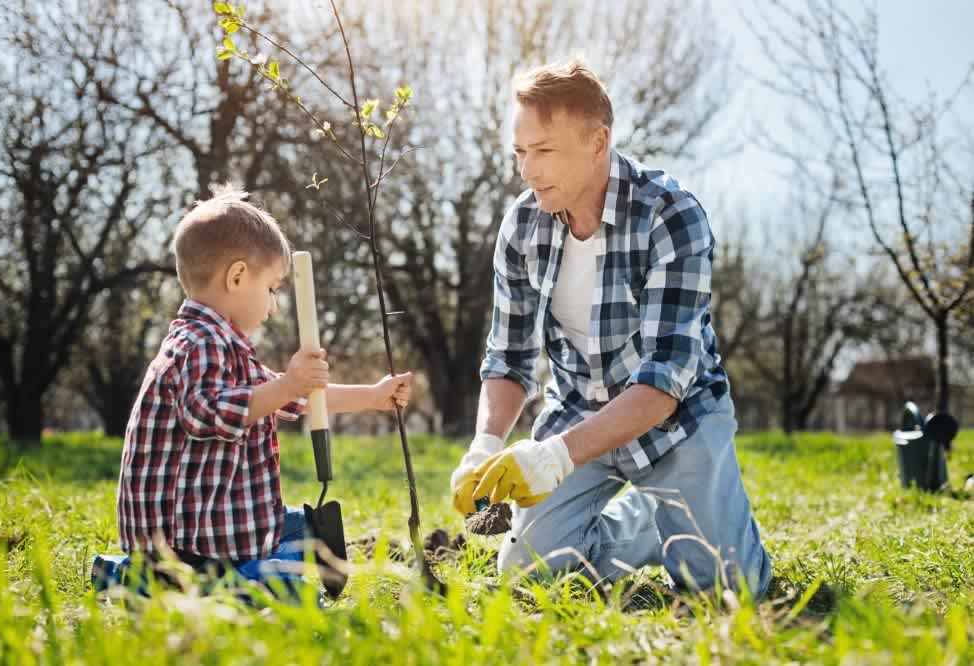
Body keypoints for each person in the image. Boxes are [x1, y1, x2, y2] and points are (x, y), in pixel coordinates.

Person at [451, 60, 772, 598]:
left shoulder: (671, 214)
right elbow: (508, 357)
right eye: (520, 152)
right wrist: (486, 444)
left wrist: (554, 455)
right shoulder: (523, 226)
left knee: (726, 591)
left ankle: (687, 512)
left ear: (598, 141)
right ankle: (649, 521)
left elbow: (663, 382)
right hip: (578, 410)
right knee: (528, 574)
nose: (527, 171)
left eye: (544, 151)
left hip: (677, 420)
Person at [117, 184, 412, 574]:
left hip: (206, 527)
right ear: (237, 276)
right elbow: (207, 413)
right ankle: (247, 576)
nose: (274, 305)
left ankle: (271, 563)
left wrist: (372, 396)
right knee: (292, 577)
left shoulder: (225, 344)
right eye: (272, 288)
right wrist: (287, 385)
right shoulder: (198, 343)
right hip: (180, 545)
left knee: (300, 532)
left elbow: (301, 398)